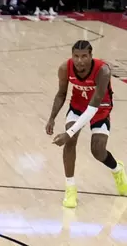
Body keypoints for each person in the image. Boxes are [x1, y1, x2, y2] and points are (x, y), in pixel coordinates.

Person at [46, 40, 127, 208]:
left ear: (91, 56)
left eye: (84, 56)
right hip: (77, 106)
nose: (79, 60)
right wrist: (52, 117)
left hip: (100, 108)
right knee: (70, 141)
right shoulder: (64, 68)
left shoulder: (103, 70)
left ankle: (117, 169)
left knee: (98, 151)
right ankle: (70, 188)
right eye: (76, 56)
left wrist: (67, 133)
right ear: (72, 56)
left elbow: (93, 106)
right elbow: (61, 93)